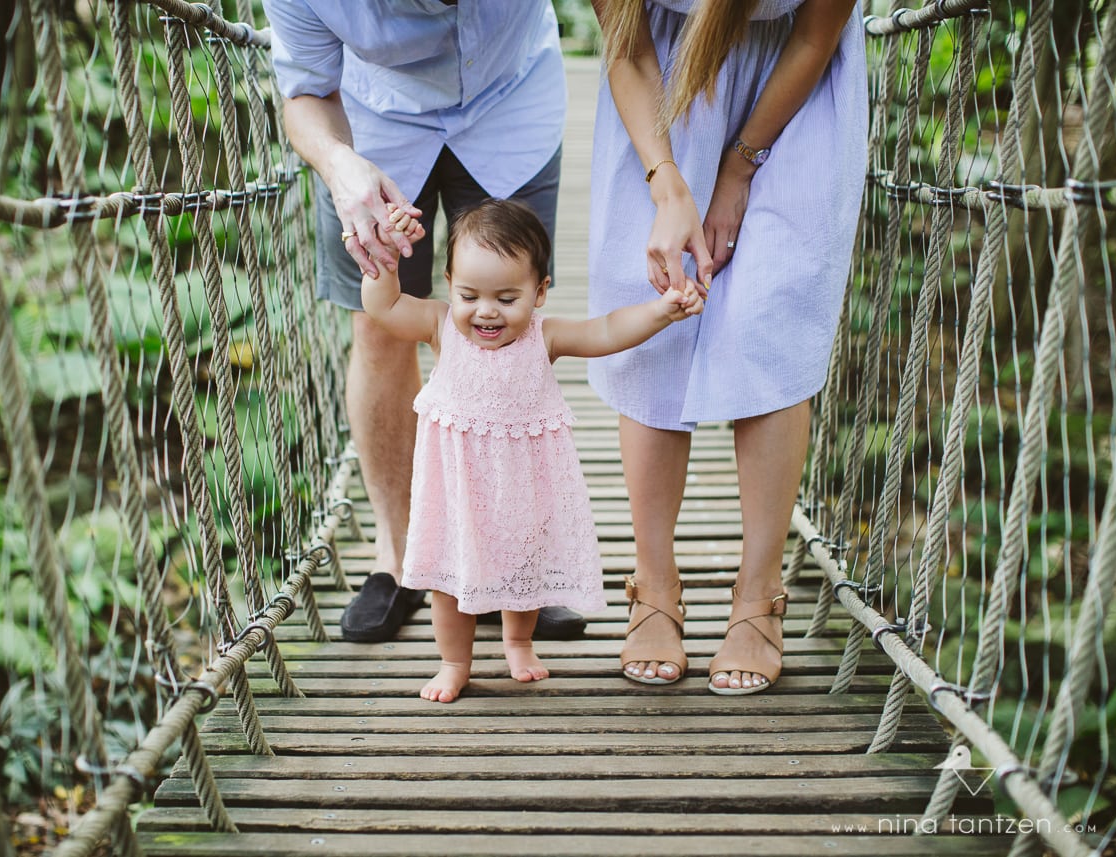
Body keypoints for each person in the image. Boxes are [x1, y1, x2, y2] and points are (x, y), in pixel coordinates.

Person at [262, 0, 588, 642]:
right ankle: (403, 556)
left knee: (509, 335)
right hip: (371, 123)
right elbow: (305, 90)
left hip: (510, 104)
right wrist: (336, 163)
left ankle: (515, 569)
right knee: (379, 327)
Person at [588, 0, 867, 694]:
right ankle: (653, 578)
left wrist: (740, 168)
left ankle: (758, 591)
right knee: (652, 306)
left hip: (794, 84)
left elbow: (815, 30)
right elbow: (625, 45)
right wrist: (667, 181)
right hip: (661, 88)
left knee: (766, 320)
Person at [362, 198, 703, 702]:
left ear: (540, 292)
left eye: (506, 297)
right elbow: (384, 307)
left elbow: (606, 331)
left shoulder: (545, 337)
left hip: (522, 485)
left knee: (523, 568)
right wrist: (386, 264)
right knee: (448, 581)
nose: (486, 311)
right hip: (457, 490)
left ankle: (518, 642)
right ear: (449, 283)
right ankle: (455, 662)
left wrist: (660, 312)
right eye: (468, 294)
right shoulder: (439, 327)